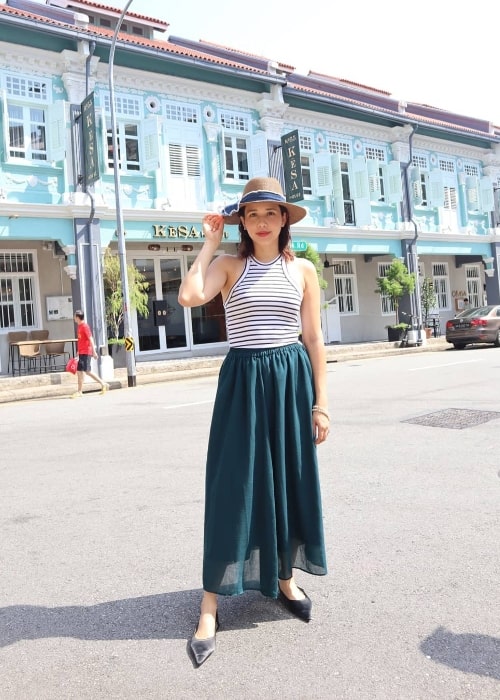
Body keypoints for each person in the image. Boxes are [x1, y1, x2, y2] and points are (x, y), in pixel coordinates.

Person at [178, 177, 329, 667]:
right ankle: (210, 604)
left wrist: (320, 403)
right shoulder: (228, 264)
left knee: (287, 482)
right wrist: (208, 243)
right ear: (241, 221)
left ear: (284, 219)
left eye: (271, 213)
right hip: (243, 381)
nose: (262, 222)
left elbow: (313, 339)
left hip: (290, 381)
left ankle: (284, 580)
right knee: (233, 487)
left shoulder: (303, 270)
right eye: (253, 214)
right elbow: (189, 297)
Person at [71, 310, 109, 398]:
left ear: (77, 317)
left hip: (86, 352)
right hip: (81, 352)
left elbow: (90, 339)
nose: (74, 318)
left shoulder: (85, 326)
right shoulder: (79, 326)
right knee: (79, 371)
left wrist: (94, 351)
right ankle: (79, 391)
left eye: (74, 316)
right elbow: (81, 340)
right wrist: (78, 350)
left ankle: (103, 383)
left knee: (87, 371)